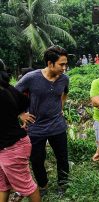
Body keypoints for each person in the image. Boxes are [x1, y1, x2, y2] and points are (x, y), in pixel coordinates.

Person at [16, 46, 70, 196]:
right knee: (37, 160)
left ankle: (63, 185)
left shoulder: (64, 79)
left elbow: (65, 92)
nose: (64, 68)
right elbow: (13, 94)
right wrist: (22, 114)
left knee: (62, 158)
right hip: (36, 127)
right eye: (61, 64)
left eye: (66, 64)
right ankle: (43, 185)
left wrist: (61, 107)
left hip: (57, 126)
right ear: (49, 63)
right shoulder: (32, 78)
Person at [0, 59, 41, 202]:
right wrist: (21, 113)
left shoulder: (4, 91)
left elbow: (24, 102)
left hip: (11, 147)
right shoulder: (7, 88)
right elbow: (24, 102)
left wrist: (21, 113)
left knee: (27, 187)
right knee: (3, 186)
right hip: (7, 145)